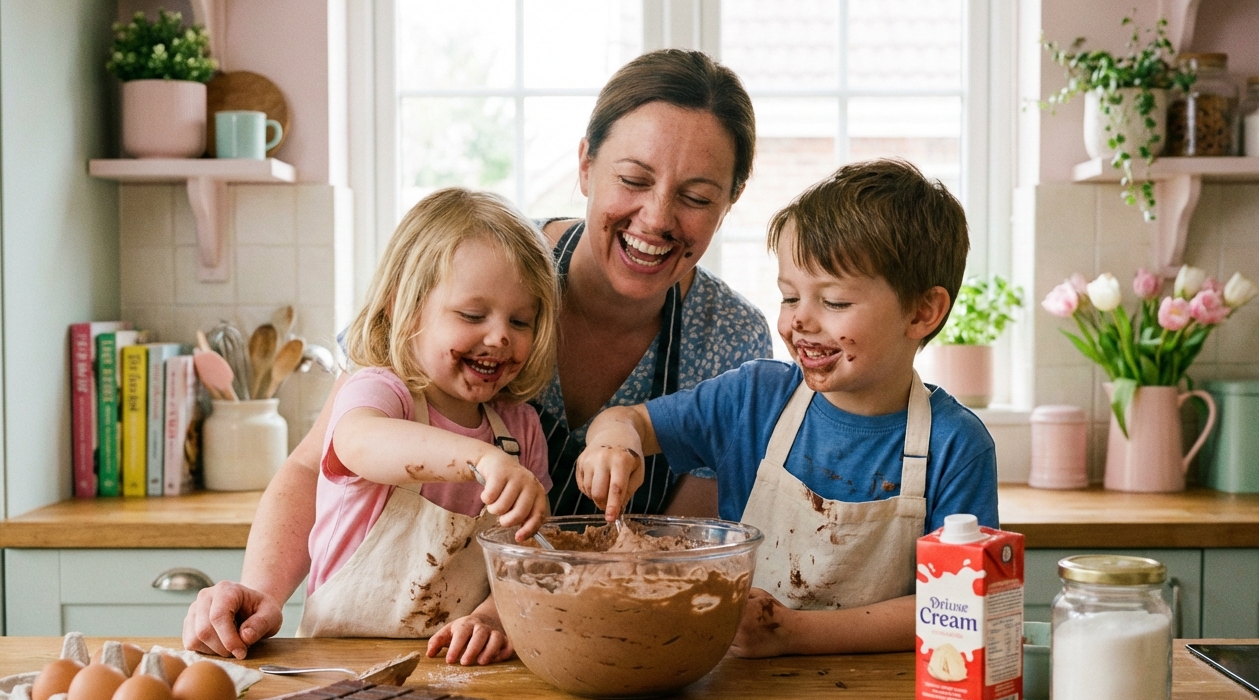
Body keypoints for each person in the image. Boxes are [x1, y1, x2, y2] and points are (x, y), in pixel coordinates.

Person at [182, 49, 771, 661]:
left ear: (731, 200)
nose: (656, 217)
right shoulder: (485, 266)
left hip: (598, 649)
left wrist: (504, 612)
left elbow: (673, 547)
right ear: (586, 165)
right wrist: (258, 595)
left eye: (697, 196)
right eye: (633, 179)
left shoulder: (728, 342)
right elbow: (319, 465)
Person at [575, 159, 999, 659]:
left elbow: (961, 601)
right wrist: (612, 444)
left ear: (921, 312)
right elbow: (629, 419)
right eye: (789, 296)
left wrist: (790, 633)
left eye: (835, 302)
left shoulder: (956, 445)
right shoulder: (753, 401)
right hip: (743, 695)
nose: (800, 320)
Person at [295, 187, 557, 666]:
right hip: (338, 666)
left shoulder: (521, 430)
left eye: (521, 321)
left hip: (457, 670)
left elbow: (528, 558)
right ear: (404, 306)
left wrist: (494, 619)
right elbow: (358, 442)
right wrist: (479, 459)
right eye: (472, 314)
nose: (500, 335)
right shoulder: (381, 392)